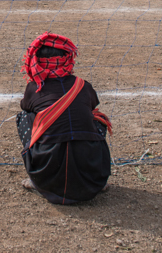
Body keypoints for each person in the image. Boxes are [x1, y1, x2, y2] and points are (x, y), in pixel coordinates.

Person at [17, 33, 111, 205]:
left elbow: (26, 106)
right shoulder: (83, 86)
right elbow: (91, 106)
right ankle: (97, 176)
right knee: (96, 118)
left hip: (47, 175)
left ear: (35, 60)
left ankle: (37, 178)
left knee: (25, 117)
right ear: (68, 59)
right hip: (92, 179)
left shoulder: (33, 89)